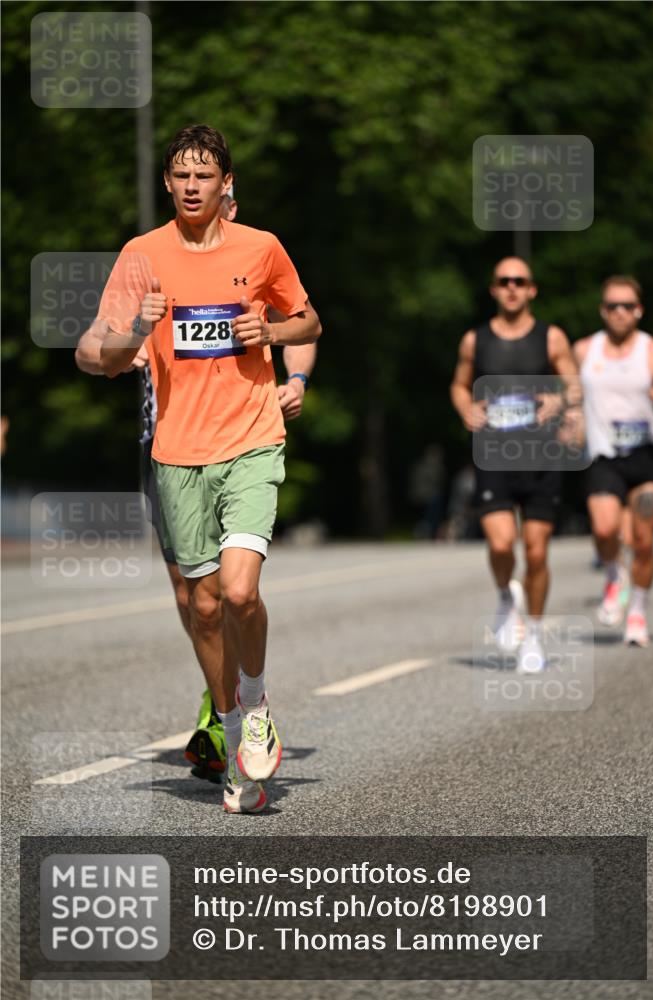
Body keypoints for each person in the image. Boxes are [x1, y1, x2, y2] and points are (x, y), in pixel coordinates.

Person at [96, 124, 321, 812]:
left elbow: (307, 322)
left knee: (239, 592)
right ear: (168, 183)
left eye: (206, 176)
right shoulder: (142, 255)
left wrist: (275, 337)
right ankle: (230, 741)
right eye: (181, 176)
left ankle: (253, 705)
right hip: (174, 450)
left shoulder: (262, 248)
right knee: (199, 604)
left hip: (252, 438)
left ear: (226, 184)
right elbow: (101, 355)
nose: (193, 186)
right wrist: (137, 328)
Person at [451, 256, 582, 673]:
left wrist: (561, 401)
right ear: (494, 289)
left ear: (532, 290)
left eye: (519, 281)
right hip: (493, 454)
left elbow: (574, 385)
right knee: (503, 543)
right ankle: (507, 596)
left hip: (542, 456)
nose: (511, 287)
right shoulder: (476, 339)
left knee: (538, 552)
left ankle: (534, 634)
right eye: (504, 281)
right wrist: (464, 408)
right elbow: (458, 383)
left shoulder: (552, 337)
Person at [575, 275, 653, 646]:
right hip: (602, 455)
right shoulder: (584, 350)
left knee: (643, 539)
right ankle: (615, 575)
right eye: (612, 305)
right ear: (602, 310)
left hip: (644, 457)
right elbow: (566, 391)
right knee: (604, 529)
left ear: (639, 311)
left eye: (627, 306)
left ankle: (638, 612)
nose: (619, 313)